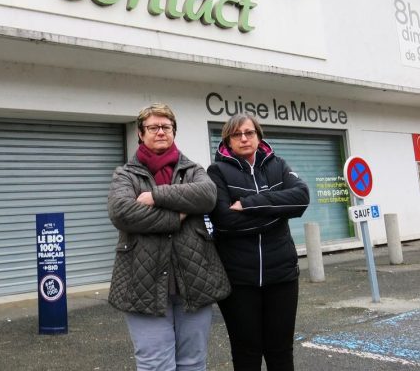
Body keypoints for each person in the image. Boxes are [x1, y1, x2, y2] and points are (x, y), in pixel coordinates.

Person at [107, 103, 231, 371]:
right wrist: (177, 216)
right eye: (153, 127)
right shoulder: (125, 174)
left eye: (166, 127)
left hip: (194, 279)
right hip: (143, 284)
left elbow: (207, 196)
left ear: (174, 131)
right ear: (141, 133)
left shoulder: (193, 170)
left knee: (193, 362)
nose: (160, 131)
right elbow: (122, 212)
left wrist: (156, 196)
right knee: (155, 365)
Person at [208, 113, 310, 371]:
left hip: (282, 276)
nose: (244, 138)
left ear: (258, 136)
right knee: (246, 354)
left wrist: (249, 204)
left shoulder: (278, 165)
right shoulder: (217, 171)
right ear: (228, 141)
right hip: (239, 281)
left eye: (249, 133)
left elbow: (301, 198)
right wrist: (278, 211)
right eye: (236, 134)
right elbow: (225, 221)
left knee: (281, 352)